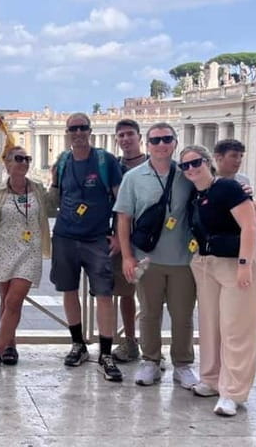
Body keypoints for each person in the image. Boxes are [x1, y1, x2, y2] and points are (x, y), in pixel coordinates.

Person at [179, 145, 256, 417]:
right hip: (206, 264)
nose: (191, 169)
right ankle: (212, 379)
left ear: (208, 162)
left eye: (196, 163)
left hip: (235, 261)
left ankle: (233, 392)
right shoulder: (196, 194)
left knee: (235, 328)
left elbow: (250, 226)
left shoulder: (228, 188)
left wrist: (244, 265)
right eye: (185, 166)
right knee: (210, 325)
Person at [115, 123, 199, 390]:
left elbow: (215, 190)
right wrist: (127, 257)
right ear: (147, 144)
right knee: (149, 313)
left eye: (166, 139)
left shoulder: (188, 174)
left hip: (183, 259)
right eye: (155, 140)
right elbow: (124, 219)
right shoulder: (134, 177)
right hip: (147, 258)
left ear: (175, 142)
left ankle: (183, 364)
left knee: (183, 314)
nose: (161, 144)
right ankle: (150, 360)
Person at [48, 112, 123, 381]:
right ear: (67, 133)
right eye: (73, 129)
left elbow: (121, 202)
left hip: (97, 237)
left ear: (90, 131)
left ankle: (105, 352)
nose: (78, 133)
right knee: (68, 291)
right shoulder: (63, 162)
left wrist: (117, 235)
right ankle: (78, 344)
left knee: (104, 295)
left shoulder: (106, 161)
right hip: (65, 235)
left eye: (82, 128)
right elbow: (54, 196)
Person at [0, 146, 51, 370]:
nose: (24, 163)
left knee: (13, 301)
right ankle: (11, 345)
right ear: (7, 164)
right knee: (6, 301)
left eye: (27, 158)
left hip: (29, 252)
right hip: (3, 249)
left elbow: (54, 205)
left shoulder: (38, 188)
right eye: (18, 159)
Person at [110, 119, 148, 364]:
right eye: (121, 135)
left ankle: (152, 344)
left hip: (150, 239)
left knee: (151, 295)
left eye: (129, 134)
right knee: (126, 293)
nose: (125, 139)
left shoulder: (153, 163)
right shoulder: (112, 166)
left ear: (139, 137)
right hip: (121, 239)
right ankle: (130, 341)